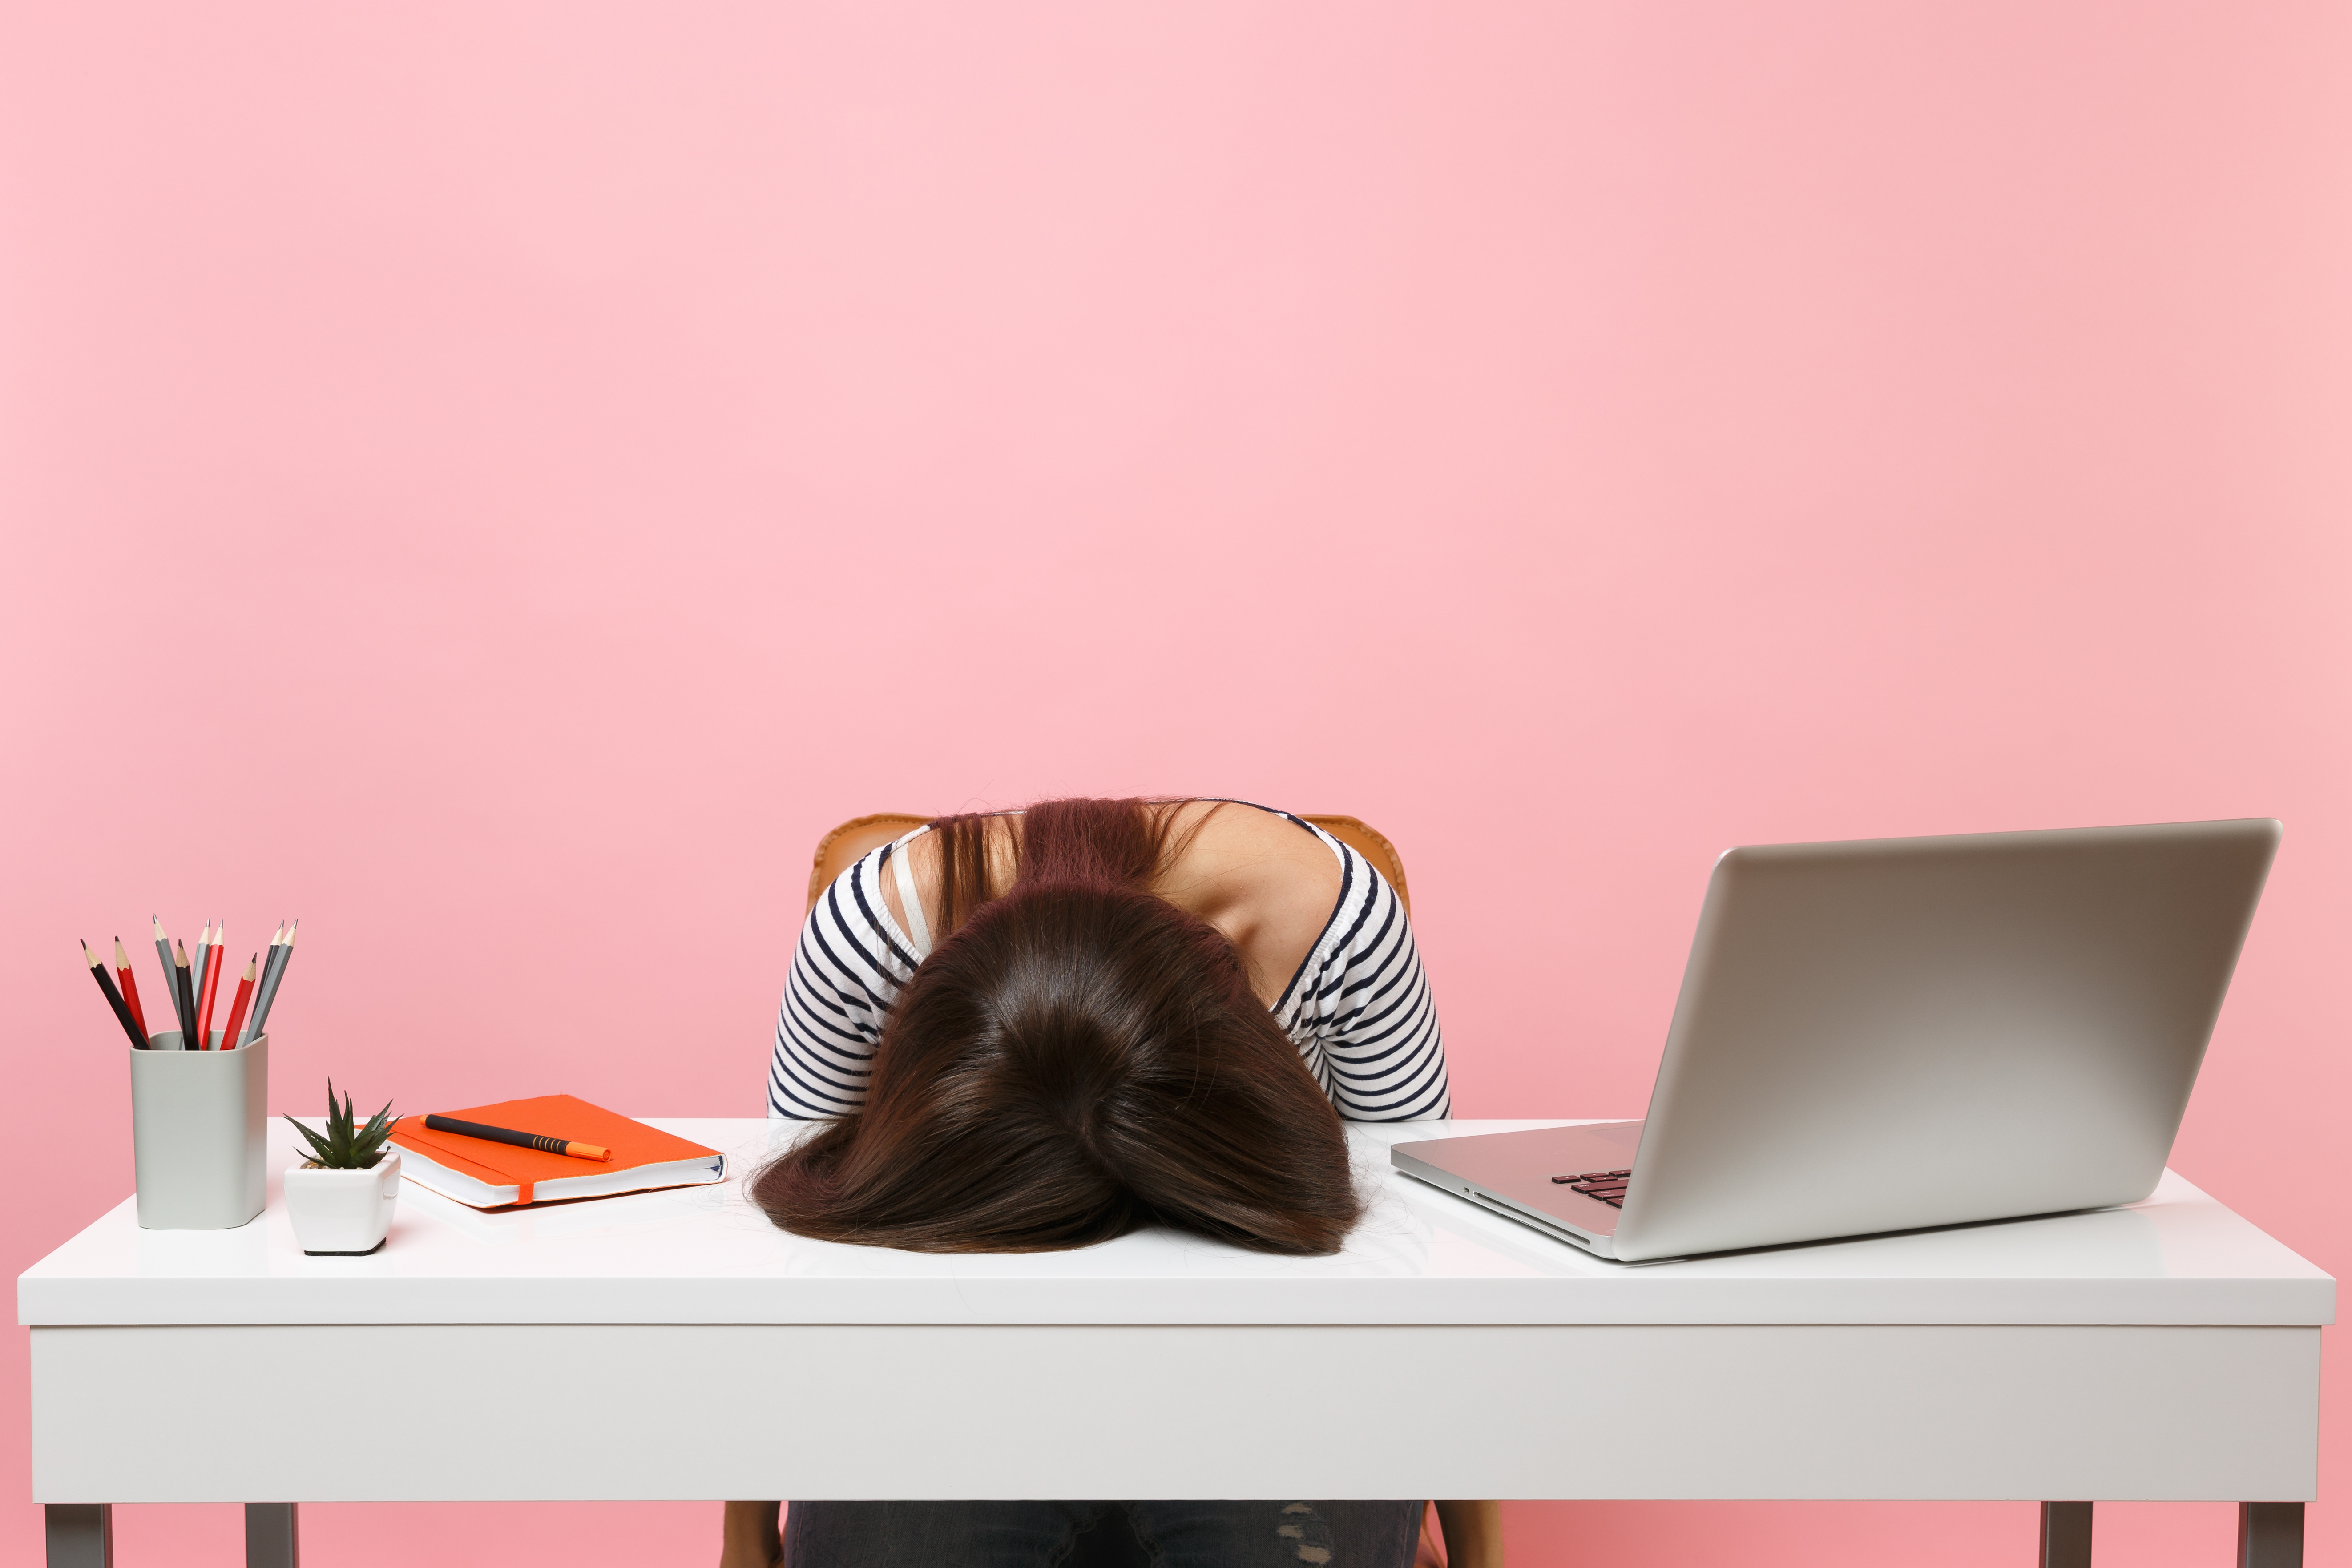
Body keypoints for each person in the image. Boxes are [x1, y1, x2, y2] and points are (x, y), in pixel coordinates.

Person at [724, 798, 1498, 1568]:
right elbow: (800, 1259)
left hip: (1273, 1374)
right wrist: (743, 1542)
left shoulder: (1337, 929)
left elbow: (1423, 1249)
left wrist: (1480, 1548)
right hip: (955, 1373)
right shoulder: (871, 940)